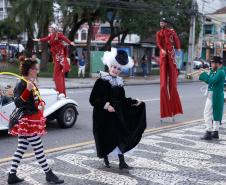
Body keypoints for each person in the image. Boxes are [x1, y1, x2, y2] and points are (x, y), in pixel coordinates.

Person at [7, 56, 64, 184]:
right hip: (26, 120)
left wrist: (41, 103)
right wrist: (27, 90)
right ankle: (49, 174)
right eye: (34, 69)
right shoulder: (21, 84)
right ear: (28, 70)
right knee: (38, 148)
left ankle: (12, 175)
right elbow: (18, 103)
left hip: (31, 118)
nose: (36, 71)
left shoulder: (31, 83)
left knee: (21, 148)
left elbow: (36, 99)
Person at [89, 48, 147, 170]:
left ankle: (122, 162)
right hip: (103, 116)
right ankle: (106, 158)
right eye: (114, 67)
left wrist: (135, 102)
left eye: (119, 69)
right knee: (106, 137)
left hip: (117, 115)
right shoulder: (101, 80)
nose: (116, 70)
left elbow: (122, 99)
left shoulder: (119, 83)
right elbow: (93, 99)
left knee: (120, 136)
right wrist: (106, 105)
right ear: (110, 66)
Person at [33, 23, 76, 95]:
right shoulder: (50, 35)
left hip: (60, 53)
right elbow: (46, 38)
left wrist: (70, 42)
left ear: (54, 29)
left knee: (59, 71)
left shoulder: (58, 34)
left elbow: (64, 38)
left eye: (51, 28)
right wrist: (39, 39)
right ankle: (60, 89)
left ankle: (61, 85)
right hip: (55, 54)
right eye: (50, 28)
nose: (50, 29)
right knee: (57, 73)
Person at [156, 17, 183, 120]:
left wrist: (179, 51)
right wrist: (162, 50)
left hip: (171, 56)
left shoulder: (171, 32)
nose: (160, 23)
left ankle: (174, 110)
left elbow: (177, 41)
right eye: (160, 22)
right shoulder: (159, 33)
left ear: (166, 23)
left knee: (173, 85)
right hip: (163, 57)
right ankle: (165, 112)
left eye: (162, 22)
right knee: (163, 86)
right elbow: (158, 43)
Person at [199, 56, 225, 140]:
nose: (212, 65)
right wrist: (205, 74)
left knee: (207, 113)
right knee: (216, 113)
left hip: (215, 95)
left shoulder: (220, 72)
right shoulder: (216, 71)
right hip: (215, 95)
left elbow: (211, 81)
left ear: (218, 64)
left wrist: (203, 74)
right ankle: (215, 132)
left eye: (213, 63)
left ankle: (208, 132)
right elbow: (209, 81)